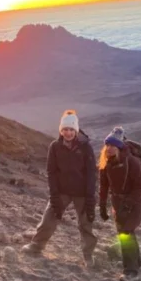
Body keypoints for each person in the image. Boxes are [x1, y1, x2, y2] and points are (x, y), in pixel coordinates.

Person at [22, 110, 97, 266]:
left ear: (76, 130)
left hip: (82, 192)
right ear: (61, 130)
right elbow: (52, 171)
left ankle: (88, 256)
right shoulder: (55, 146)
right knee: (48, 218)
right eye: (65, 130)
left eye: (71, 129)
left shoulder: (85, 147)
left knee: (86, 224)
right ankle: (36, 246)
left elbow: (91, 172)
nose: (68, 133)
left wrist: (90, 196)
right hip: (62, 190)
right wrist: (54, 194)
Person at [98, 127, 141, 281]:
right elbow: (104, 186)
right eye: (107, 145)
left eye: (112, 146)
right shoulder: (106, 163)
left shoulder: (132, 162)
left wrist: (128, 206)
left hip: (132, 204)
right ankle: (136, 263)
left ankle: (131, 271)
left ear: (119, 147)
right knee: (126, 233)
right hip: (117, 203)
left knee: (126, 234)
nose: (109, 148)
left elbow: (139, 188)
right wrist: (102, 205)